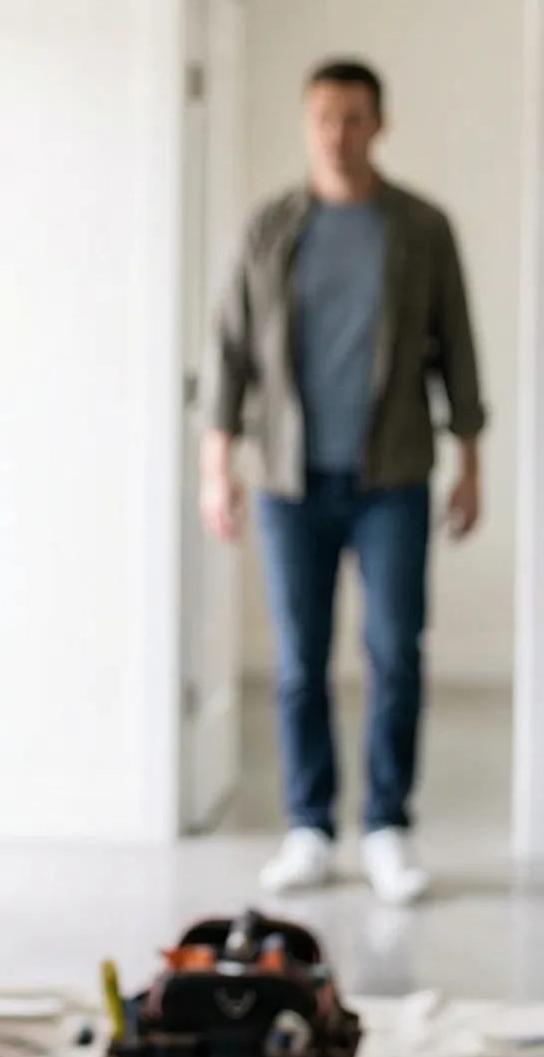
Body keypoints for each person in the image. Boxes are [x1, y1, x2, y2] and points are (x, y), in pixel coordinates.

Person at [200, 57, 485, 905]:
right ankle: (310, 828)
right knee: (299, 662)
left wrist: (471, 464)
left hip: (392, 477)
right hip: (291, 480)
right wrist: (217, 468)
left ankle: (389, 825)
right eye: (325, 116)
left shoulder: (422, 229)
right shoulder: (269, 229)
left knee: (395, 651)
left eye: (355, 117)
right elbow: (228, 351)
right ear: (307, 124)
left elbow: (458, 350)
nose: (339, 132)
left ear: (380, 124)